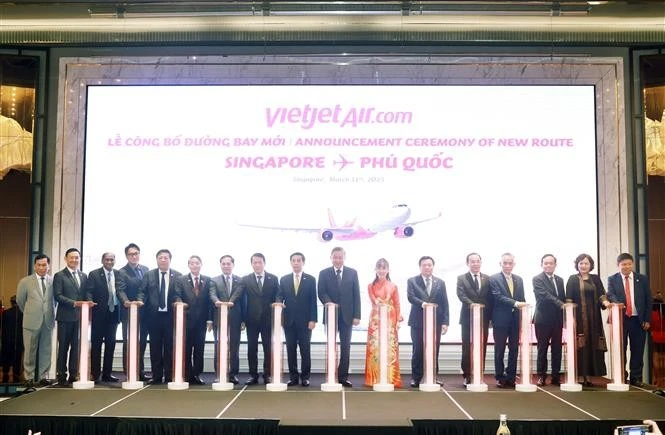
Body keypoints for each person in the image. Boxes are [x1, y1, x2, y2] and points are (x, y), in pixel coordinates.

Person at [606, 252, 652, 387]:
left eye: (628, 264)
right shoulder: (612, 279)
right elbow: (610, 294)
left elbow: (648, 299)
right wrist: (617, 304)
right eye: (623, 264)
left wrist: (647, 319)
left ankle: (636, 378)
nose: (626, 267)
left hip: (638, 320)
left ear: (632, 264)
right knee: (621, 349)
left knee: (637, 349)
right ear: (618, 265)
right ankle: (621, 376)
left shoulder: (642, 279)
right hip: (621, 319)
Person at [318, 246, 361, 388]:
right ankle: (331, 374)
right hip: (331, 315)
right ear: (331, 258)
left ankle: (343, 376)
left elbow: (356, 295)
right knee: (331, 346)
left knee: (345, 347)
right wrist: (329, 302)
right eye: (335, 257)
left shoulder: (352, 273)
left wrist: (357, 315)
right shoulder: (324, 273)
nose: (337, 259)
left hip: (347, 317)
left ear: (344, 257)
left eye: (340, 257)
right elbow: (321, 292)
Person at [137, 249, 182, 384]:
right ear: (157, 260)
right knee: (155, 347)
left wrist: (178, 301)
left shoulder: (178, 276)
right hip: (153, 317)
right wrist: (139, 301)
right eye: (160, 258)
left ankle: (169, 376)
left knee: (169, 347)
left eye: (166, 258)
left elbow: (178, 294)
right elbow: (142, 291)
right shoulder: (149, 275)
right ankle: (156, 376)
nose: (163, 260)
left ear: (170, 260)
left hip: (170, 317)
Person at [564, 253, 609, 387]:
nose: (583, 266)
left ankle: (589, 376)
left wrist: (606, 303)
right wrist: (570, 318)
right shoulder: (572, 279)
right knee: (580, 346)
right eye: (581, 263)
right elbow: (568, 299)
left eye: (586, 263)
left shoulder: (595, 279)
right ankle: (579, 375)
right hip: (578, 318)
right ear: (577, 265)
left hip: (594, 319)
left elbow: (602, 295)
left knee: (592, 345)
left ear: (591, 265)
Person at [407, 255, 449, 388]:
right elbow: (411, 297)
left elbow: (444, 303)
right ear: (420, 267)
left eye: (429, 265)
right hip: (417, 322)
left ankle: (433, 376)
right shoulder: (412, 281)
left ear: (433, 266)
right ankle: (416, 377)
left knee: (434, 350)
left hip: (435, 322)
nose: (427, 267)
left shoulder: (440, 282)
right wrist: (423, 304)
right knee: (418, 350)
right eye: (424, 265)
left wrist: (445, 322)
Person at [239, 253, 280, 385]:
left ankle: (267, 374)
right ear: (251, 264)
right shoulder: (245, 279)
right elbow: (241, 299)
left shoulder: (273, 278)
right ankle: (253, 375)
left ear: (264, 263)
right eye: (255, 262)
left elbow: (277, 296)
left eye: (260, 262)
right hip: (251, 320)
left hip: (268, 319)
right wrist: (242, 319)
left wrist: (277, 307)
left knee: (268, 348)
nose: (257, 265)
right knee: (252, 348)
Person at [174, 255, 216, 385]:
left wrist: (210, 320)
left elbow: (210, 301)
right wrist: (180, 304)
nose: (195, 265)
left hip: (201, 322)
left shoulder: (207, 280)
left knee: (199, 350)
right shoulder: (180, 280)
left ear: (201, 265)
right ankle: (187, 375)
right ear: (188, 265)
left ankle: (197, 375)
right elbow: (177, 295)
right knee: (186, 349)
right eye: (192, 263)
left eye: (197, 263)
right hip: (185, 320)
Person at [85, 252, 126, 383]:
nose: (109, 262)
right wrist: (90, 302)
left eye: (112, 260)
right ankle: (95, 374)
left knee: (111, 345)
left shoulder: (118, 274)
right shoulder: (94, 274)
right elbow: (89, 291)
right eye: (107, 259)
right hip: (99, 314)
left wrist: (126, 301)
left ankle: (107, 374)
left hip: (113, 314)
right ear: (102, 261)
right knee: (96, 345)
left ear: (115, 261)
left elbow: (120, 290)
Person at [15, 254, 54, 387]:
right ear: (34, 266)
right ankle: (29, 376)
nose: (42, 267)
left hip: (47, 321)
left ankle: (43, 376)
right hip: (31, 321)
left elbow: (55, 302)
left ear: (48, 266)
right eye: (39, 265)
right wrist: (29, 312)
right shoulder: (25, 281)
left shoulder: (53, 281)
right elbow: (20, 301)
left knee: (46, 349)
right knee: (30, 350)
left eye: (44, 265)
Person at [279, 252, 317, 387]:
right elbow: (280, 296)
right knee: (290, 349)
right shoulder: (284, 279)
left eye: (298, 260)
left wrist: (313, 319)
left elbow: (313, 301)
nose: (296, 263)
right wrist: (278, 305)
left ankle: (305, 377)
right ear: (291, 263)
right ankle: (293, 377)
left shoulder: (311, 279)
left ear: (303, 262)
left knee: (305, 350)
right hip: (289, 321)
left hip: (306, 322)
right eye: (293, 260)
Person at [490, 252, 527, 389]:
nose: (507, 265)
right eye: (505, 263)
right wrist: (516, 303)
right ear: (500, 264)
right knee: (499, 349)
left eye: (510, 263)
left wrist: (523, 314)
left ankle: (511, 377)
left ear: (514, 264)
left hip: (515, 320)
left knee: (514, 349)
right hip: (500, 319)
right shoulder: (494, 279)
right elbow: (497, 297)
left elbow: (522, 298)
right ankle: (500, 377)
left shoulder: (519, 279)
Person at [364, 258, 402, 388]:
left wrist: (397, 320)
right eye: (379, 268)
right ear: (375, 270)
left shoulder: (393, 286)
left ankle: (390, 378)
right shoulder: (371, 286)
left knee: (390, 348)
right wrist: (381, 303)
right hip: (376, 319)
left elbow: (397, 304)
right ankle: (374, 378)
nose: (381, 270)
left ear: (388, 270)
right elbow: (374, 300)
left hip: (390, 320)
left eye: (384, 268)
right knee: (375, 347)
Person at [53, 248, 88, 386]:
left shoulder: (84, 275)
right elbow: (58, 295)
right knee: (63, 347)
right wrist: (74, 303)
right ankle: (61, 375)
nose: (74, 260)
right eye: (72, 257)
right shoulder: (59, 275)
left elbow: (85, 295)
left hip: (80, 318)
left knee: (76, 347)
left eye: (77, 257)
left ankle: (73, 375)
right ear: (66, 259)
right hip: (65, 317)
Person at [456, 252, 492, 386]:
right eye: (472, 261)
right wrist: (472, 304)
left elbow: (490, 298)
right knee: (467, 347)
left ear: (481, 263)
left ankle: (479, 374)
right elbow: (461, 295)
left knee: (481, 346)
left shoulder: (487, 279)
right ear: (468, 263)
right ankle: (467, 375)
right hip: (467, 318)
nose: (475, 264)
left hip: (483, 318)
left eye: (478, 261)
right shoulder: (462, 278)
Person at [117, 243, 150, 381]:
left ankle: (140, 371)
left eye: (136, 253)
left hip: (145, 312)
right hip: (129, 312)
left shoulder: (145, 269)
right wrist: (126, 302)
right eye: (131, 254)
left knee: (141, 342)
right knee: (129, 342)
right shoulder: (121, 272)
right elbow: (120, 290)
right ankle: (129, 371)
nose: (134, 256)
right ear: (126, 256)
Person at [210, 254, 245, 384]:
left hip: (235, 318)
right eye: (223, 264)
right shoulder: (214, 280)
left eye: (228, 263)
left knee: (234, 348)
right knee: (218, 346)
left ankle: (233, 374)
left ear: (233, 265)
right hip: (218, 318)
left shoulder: (240, 280)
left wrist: (230, 302)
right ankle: (219, 374)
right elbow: (212, 294)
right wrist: (217, 302)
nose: (226, 266)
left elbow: (238, 294)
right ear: (220, 265)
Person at [532, 254, 566, 386]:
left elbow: (562, 296)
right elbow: (544, 295)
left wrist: (565, 305)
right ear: (542, 265)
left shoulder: (560, 280)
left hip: (557, 319)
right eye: (545, 263)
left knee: (557, 349)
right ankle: (541, 376)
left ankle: (556, 376)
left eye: (551, 263)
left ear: (555, 265)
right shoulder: (537, 279)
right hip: (543, 319)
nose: (548, 265)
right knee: (542, 348)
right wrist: (560, 304)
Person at [1, 296, 24, 383]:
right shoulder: (22, 313)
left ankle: (5, 376)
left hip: (6, 340)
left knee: (6, 358)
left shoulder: (6, 313)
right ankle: (15, 376)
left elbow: (2, 328)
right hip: (18, 340)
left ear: (11, 302)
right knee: (17, 358)